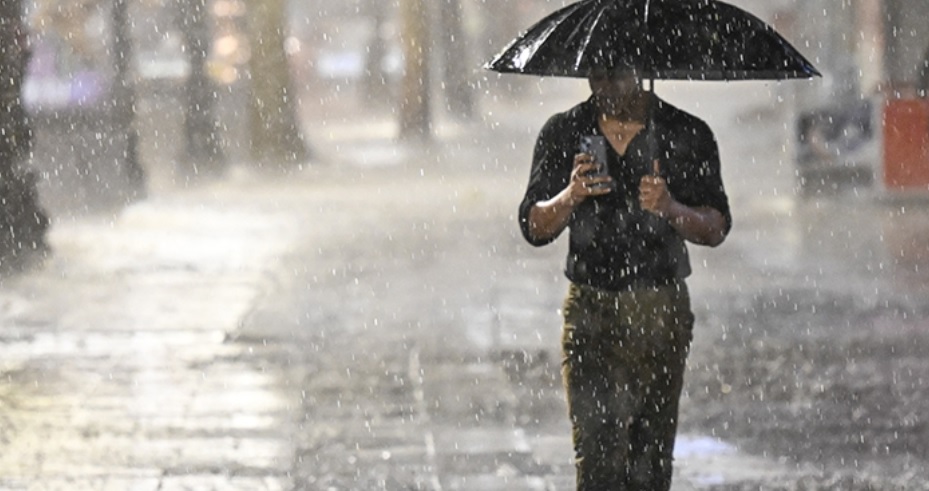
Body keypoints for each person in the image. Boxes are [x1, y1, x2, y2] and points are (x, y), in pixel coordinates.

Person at [518, 67, 732, 490]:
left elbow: (716, 227)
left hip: (660, 307)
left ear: (641, 70)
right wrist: (570, 195)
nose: (603, 87)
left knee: (650, 460)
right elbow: (533, 226)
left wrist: (670, 208)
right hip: (591, 308)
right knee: (596, 459)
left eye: (615, 75)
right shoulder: (564, 131)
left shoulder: (685, 133)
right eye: (595, 75)